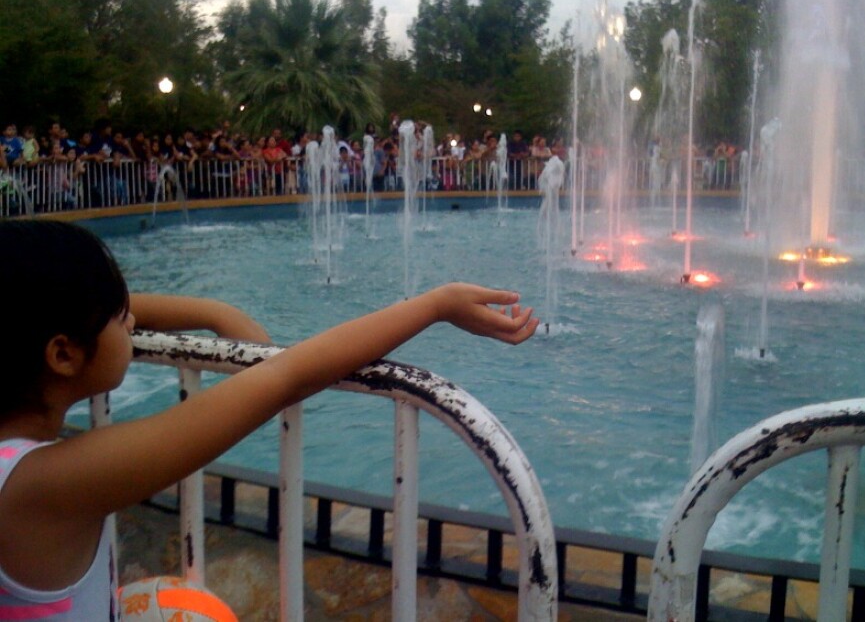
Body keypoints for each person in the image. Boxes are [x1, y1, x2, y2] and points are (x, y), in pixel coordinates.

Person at [0, 220, 537, 620]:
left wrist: (215, 313)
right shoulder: (47, 489)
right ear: (63, 354)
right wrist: (436, 306)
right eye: (122, 318)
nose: (136, 321)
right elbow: (286, 375)